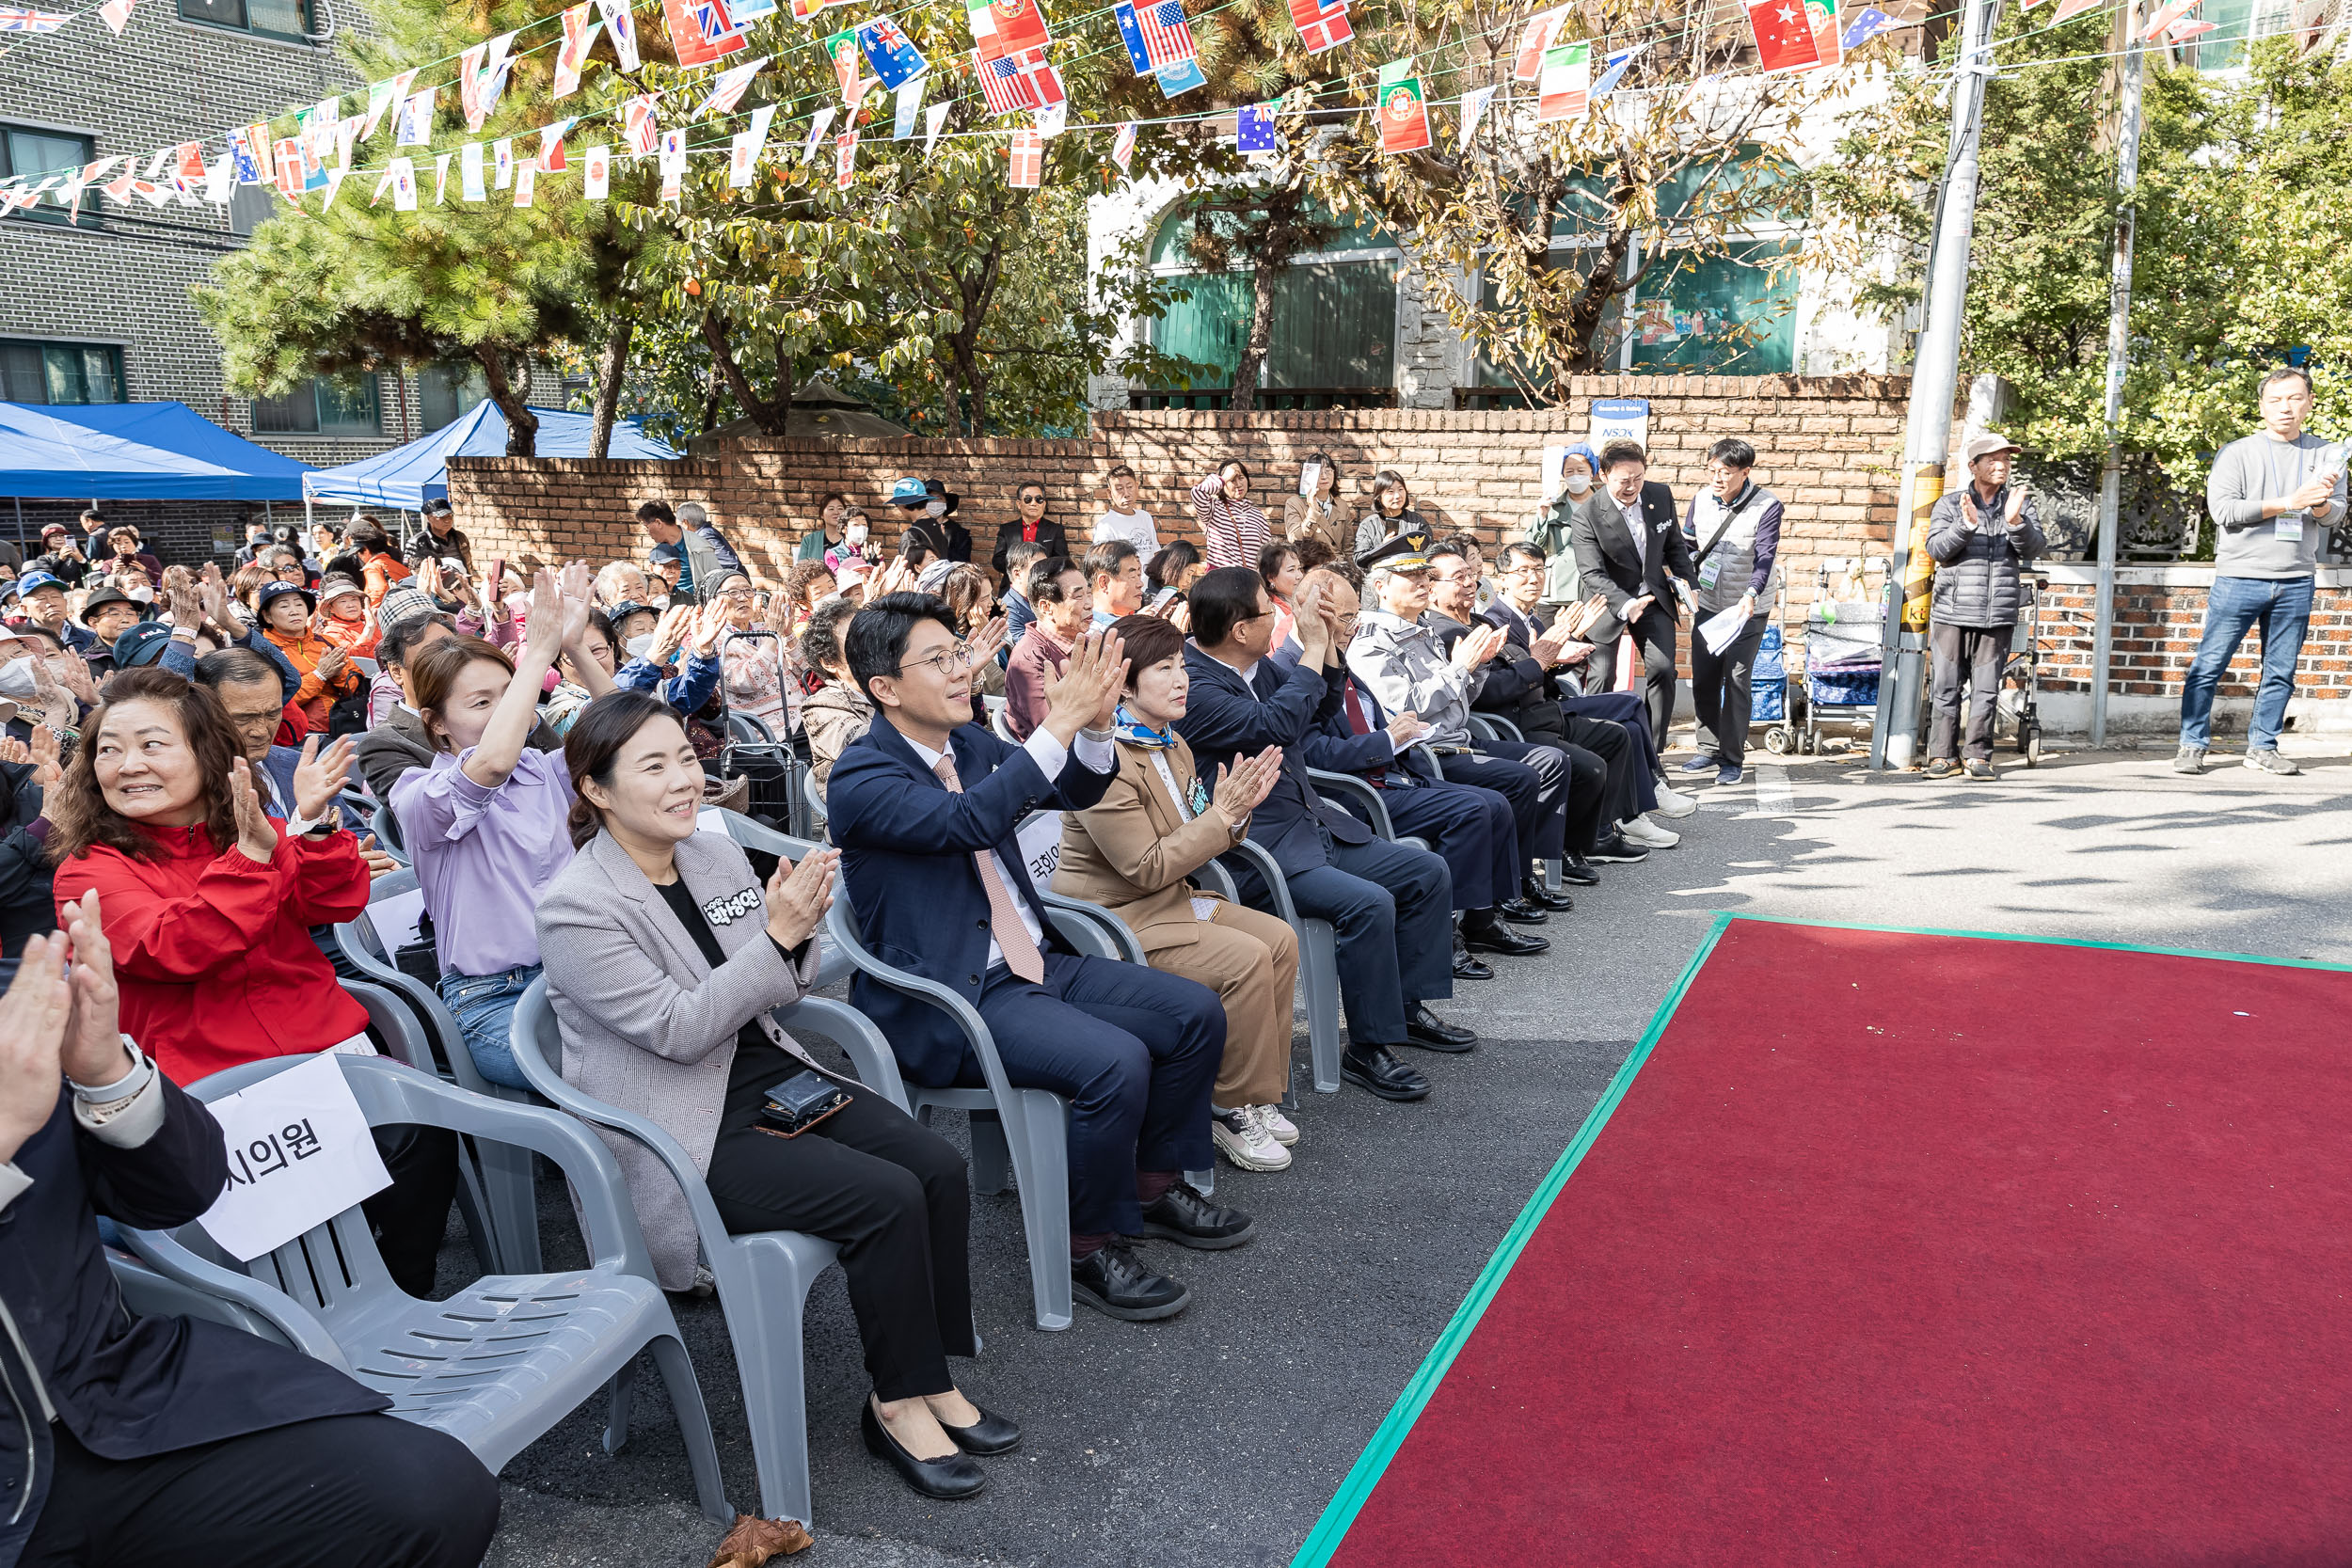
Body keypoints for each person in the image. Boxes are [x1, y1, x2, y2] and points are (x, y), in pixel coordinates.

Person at [538, 690, 1016, 1497]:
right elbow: (681, 1027)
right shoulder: (575, 907)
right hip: (680, 1122)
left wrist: (793, 934)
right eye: (653, 766)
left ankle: (928, 1376)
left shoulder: (714, 855)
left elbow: (777, 985)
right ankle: (897, 1404)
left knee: (936, 1166)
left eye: (686, 757)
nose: (685, 780)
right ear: (595, 788)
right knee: (885, 1196)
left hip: (765, 1071)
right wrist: (778, 937)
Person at [0, 912, 501, 1568]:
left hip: (112, 1399)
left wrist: (107, 1074)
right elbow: (185, 942)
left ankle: (409, 1288)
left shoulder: (21, 1006)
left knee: (432, 1495)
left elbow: (181, 1193)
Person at [830, 597, 1246, 1322]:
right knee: (1115, 1061)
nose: (963, 670)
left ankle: (1149, 1186)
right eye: (940, 660)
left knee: (1192, 1011)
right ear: (884, 688)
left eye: (960, 652)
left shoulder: (968, 745)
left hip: (1037, 962)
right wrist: (1055, 723)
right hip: (955, 996)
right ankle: (1086, 1243)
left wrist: (1089, 729)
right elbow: (973, 819)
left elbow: (1072, 786)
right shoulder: (861, 777)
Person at [45, 669, 456, 1298]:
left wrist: (312, 825)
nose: (127, 765)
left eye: (152, 744)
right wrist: (256, 855)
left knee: (420, 1144)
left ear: (207, 751)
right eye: (109, 748)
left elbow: (335, 898)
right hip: (210, 1095)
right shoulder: (89, 869)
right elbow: (178, 945)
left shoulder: (249, 826)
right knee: (287, 1243)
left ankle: (407, 1303)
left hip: (324, 1060)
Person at [1177, 567, 1468, 1101]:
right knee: (1368, 904)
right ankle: (1368, 1046)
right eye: (1270, 609)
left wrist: (1330, 648)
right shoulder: (1195, 684)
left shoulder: (1252, 665)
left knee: (1425, 871)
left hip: (1310, 825)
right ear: (1241, 630)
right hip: (1259, 851)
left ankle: (1404, 1009)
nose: (1280, 617)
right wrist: (1309, 646)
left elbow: (1317, 712)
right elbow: (1275, 727)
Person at [1051, 614, 1301, 1173]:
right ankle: (1227, 1106)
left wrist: (1235, 815)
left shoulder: (1173, 744)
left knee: (1280, 940)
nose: (1182, 678)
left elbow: (1197, 833)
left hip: (1170, 900)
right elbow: (1145, 866)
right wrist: (1222, 816)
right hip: (1116, 918)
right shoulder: (1104, 760)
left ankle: (1255, 1091)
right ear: (1126, 684)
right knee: (1246, 959)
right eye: (1164, 668)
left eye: (1182, 664)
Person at [1296, 566, 1548, 976]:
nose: (1352, 626)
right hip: (1357, 789)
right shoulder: (1308, 663)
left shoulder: (1359, 647)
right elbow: (1318, 749)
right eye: (1344, 618)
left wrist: (1474, 666)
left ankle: (1483, 918)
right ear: (1310, 614)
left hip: (1399, 763)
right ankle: (1444, 936)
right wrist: (1390, 740)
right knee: (1472, 809)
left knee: (1496, 802)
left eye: (1353, 616)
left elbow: (1398, 713)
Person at [392, 572, 592, 1088]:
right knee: (616, 1068)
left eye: (513, 695)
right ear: (436, 723)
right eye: (483, 702)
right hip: (493, 1001)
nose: (510, 711)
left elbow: (627, 740)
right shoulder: (418, 794)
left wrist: (574, 648)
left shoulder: (540, 769)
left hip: (583, 975)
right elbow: (491, 763)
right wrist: (537, 655)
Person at [1354, 537, 1632, 895]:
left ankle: (1525, 876)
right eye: (1412, 577)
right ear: (1381, 586)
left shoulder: (1422, 631)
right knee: (1515, 782)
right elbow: (1408, 707)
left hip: (1460, 738)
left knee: (1546, 763)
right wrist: (1462, 667)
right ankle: (1505, 891)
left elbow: (1464, 697)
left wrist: (1479, 665)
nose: (1423, 583)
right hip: (1425, 752)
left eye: (1424, 575)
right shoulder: (1373, 641)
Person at [1423, 543, 1671, 853]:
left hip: (1540, 709)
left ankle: (1614, 824)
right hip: (1513, 723)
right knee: (1590, 766)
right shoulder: (1446, 634)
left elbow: (1531, 669)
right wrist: (1539, 660)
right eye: (1459, 577)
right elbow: (1487, 693)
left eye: (1471, 575)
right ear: (1430, 589)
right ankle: (1576, 847)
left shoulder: (1481, 623)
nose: (1471, 582)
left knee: (1618, 734)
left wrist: (1556, 652)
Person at [2178, 365, 2342, 777]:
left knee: (2281, 671)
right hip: (2240, 576)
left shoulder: (2328, 453)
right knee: (2209, 665)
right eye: (2276, 400)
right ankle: (2192, 745)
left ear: (2309, 403)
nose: (2285, 407)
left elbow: (2334, 515)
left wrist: (2319, 502)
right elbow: (2224, 511)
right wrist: (2290, 501)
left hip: (2297, 579)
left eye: (2294, 398)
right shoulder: (2237, 452)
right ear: (2262, 406)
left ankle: (2263, 747)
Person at [1486, 543, 1696, 824]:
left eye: (1538, 569)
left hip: (1548, 705)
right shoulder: (1495, 622)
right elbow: (1523, 675)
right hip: (1529, 717)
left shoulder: (1531, 619)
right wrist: (1548, 655)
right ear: (1502, 578)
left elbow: (1550, 669)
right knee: (1629, 709)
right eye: (1522, 571)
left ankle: (1634, 814)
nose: (1534, 578)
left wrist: (1574, 639)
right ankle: (1649, 791)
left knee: (1631, 722)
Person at [1921, 433, 2045, 782]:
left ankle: (1978, 754)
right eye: (1992, 459)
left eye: (2006, 459)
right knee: (1946, 688)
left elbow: (2033, 550)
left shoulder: (2018, 503)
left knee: (1987, 690)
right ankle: (1943, 756)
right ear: (1973, 466)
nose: (2001, 465)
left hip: (1998, 613)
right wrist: (1967, 525)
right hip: (1952, 613)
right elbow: (1937, 550)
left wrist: (2015, 522)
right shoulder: (1951, 504)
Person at [1572, 440, 1695, 750]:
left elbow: (1674, 546)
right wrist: (1626, 604)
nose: (1632, 487)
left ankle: (1653, 751)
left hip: (1652, 596)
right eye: (1623, 480)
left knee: (1663, 669)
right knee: (1602, 676)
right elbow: (1592, 573)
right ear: (1603, 475)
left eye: (1638, 478)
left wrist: (1688, 583)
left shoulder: (1659, 495)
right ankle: (1599, 749)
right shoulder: (1587, 515)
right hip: (1607, 602)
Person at [1680, 437, 1786, 786]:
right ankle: (1707, 748)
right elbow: (1689, 544)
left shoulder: (1768, 506)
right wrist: (1683, 580)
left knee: (1737, 679)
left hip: (1748, 609)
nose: (1717, 478)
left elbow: (1765, 557)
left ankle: (1732, 758)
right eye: (1712, 470)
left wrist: (1752, 593)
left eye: (1725, 472)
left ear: (1745, 472)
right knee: (1705, 677)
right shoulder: (1699, 500)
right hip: (1709, 603)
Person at [255, 581, 362, 732]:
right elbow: (277, 701)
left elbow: (355, 686)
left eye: (299, 604)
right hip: (300, 735)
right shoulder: (264, 650)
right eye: (284, 606)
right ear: (267, 616)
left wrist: (338, 674)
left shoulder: (326, 641)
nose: (294, 611)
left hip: (345, 722)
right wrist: (320, 675)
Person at [1003, 557, 1090, 741]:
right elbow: (1055, 731)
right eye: (1079, 596)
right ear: (1046, 607)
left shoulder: (1085, 643)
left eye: (1089, 594)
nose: (1090, 604)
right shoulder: (1027, 661)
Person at [801, 598, 869, 793]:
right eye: (857, 639)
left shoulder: (893, 688)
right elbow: (868, 746)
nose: (872, 644)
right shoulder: (820, 707)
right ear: (830, 662)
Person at [937, 563, 1005, 723]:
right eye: (983, 599)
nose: (991, 603)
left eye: (991, 596)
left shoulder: (985, 625)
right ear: (964, 603)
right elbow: (995, 684)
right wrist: (985, 637)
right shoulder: (952, 642)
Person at [1190, 460, 1268, 572]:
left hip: (1249, 584)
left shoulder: (1258, 516)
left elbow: (1267, 555)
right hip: (1221, 582)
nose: (1238, 484)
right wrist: (1223, 478)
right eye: (1232, 480)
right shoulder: (1213, 509)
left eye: (1241, 478)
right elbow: (1198, 493)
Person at [991, 482, 1072, 583]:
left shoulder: (1055, 530)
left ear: (1044, 504)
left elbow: (1062, 561)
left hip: (1043, 585)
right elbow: (998, 560)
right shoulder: (1007, 530)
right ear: (1019, 504)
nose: (1033, 503)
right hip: (1013, 585)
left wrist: (1038, 570)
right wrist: (1021, 568)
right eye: (1028, 499)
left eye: (1039, 499)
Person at [888, 477, 973, 565]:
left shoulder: (959, 533)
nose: (935, 502)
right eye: (930, 499)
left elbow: (964, 564)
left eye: (939, 498)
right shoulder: (917, 530)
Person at [1282, 452, 1350, 555]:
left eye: (1328, 471)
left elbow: (1348, 547)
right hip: (1310, 566)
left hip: (1338, 566)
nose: (1324, 476)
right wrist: (1313, 512)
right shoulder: (1294, 503)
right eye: (1318, 472)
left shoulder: (1342, 505)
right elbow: (1295, 539)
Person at [1353, 470, 1428, 561]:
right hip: (1379, 573)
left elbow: (1430, 553)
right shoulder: (1368, 525)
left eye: (1401, 490)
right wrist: (1382, 548)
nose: (1397, 496)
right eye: (1390, 491)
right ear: (1378, 497)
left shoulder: (1417, 522)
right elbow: (1359, 559)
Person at [74, 586, 146, 681]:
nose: (125, 620)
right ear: (94, 622)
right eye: (115, 614)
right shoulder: (88, 661)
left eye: (130, 614)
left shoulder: (151, 648)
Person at [1093, 465, 1159, 562]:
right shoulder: (1105, 526)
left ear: (1136, 487)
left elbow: (1156, 553)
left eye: (1130, 487)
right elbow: (1103, 564)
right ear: (1109, 493)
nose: (1126, 494)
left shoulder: (1145, 517)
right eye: (1119, 489)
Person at [310, 574, 381, 664]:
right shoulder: (331, 633)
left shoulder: (373, 621)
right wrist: (369, 629)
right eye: (342, 601)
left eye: (354, 599)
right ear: (331, 608)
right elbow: (354, 659)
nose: (350, 605)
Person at [346, 518, 413, 607]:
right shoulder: (396, 565)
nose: (358, 556)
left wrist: (370, 611)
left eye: (358, 552)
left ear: (366, 551)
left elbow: (379, 591)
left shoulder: (372, 567)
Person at [1084, 538, 1145, 630]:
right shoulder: (1093, 632)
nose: (1140, 584)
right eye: (1132, 576)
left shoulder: (1131, 623)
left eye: (1139, 575)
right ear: (1104, 582)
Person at [1260, 540, 1306, 657]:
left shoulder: (1297, 603)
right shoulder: (1271, 612)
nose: (1299, 576)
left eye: (1299, 569)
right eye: (1291, 570)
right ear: (1271, 577)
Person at [404, 498, 473, 573]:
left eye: (449, 516)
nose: (447, 520)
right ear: (430, 518)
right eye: (442, 517)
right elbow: (408, 569)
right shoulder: (417, 541)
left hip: (462, 582)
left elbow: (468, 565)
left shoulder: (460, 537)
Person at [999, 539, 1046, 647]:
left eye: (1046, 566)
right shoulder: (1009, 610)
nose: (1045, 572)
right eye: (1038, 568)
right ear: (1017, 573)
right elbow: (1028, 649)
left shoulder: (1041, 597)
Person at [799, 491, 850, 562]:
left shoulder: (853, 538)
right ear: (822, 515)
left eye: (840, 508)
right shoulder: (809, 540)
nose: (836, 512)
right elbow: (801, 568)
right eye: (831, 509)